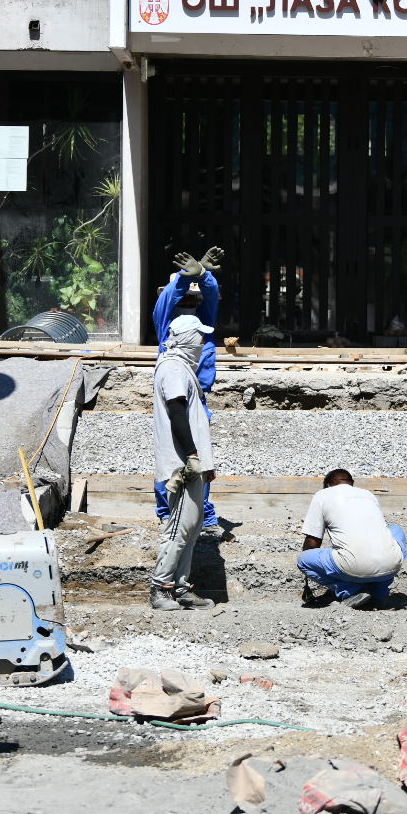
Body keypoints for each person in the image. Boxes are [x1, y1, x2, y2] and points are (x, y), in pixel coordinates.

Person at [152, 247, 224, 537]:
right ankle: (167, 512)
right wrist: (184, 280)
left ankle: (202, 515)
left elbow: (213, 299)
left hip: (198, 399)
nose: (189, 299)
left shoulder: (202, 324)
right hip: (173, 398)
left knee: (201, 460)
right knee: (170, 456)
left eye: (194, 294)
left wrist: (204, 276)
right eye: (186, 294)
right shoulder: (168, 325)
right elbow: (166, 301)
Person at [149, 312, 217, 611]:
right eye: (199, 336)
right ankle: (160, 588)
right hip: (183, 463)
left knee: (192, 525)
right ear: (187, 338)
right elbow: (177, 413)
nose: (203, 342)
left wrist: (205, 461)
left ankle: (180, 587)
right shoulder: (174, 368)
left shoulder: (182, 368)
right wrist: (190, 456)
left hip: (193, 463)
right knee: (179, 526)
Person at [297, 469, 407, 610]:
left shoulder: (323, 495)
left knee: (303, 560)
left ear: (327, 485)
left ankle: (351, 591)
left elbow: (313, 541)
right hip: (391, 566)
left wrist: (311, 561)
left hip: (353, 567)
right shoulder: (368, 495)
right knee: (395, 529)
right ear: (351, 484)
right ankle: (380, 594)